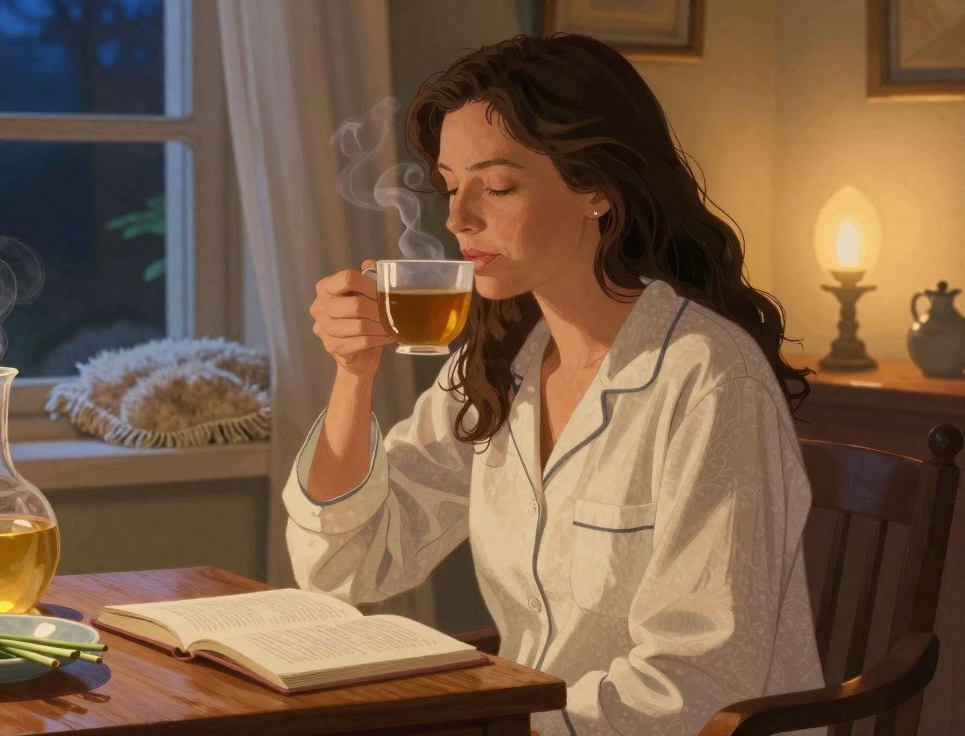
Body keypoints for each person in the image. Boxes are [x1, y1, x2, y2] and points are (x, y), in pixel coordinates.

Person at [285, 34, 824, 735]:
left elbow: (697, 680)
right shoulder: (494, 366)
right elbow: (345, 566)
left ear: (596, 188)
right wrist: (353, 376)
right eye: (451, 186)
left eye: (498, 186)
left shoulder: (709, 379)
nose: (457, 219)